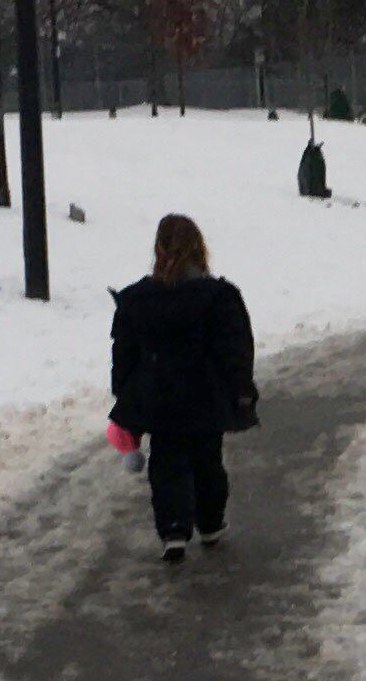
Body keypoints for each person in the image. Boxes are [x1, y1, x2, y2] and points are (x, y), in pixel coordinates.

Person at [108, 213, 259, 562]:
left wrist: (125, 396)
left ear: (158, 249)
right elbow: (234, 347)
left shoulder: (137, 300)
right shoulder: (218, 296)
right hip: (205, 395)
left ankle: (174, 528)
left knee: (167, 462)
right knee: (208, 460)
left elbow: (124, 353)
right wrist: (241, 387)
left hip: (159, 398)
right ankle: (210, 523)